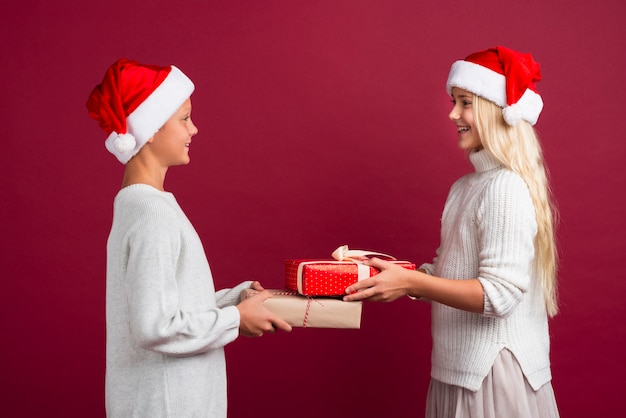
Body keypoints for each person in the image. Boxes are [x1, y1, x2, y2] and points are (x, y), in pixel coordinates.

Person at [344, 46, 560, 417]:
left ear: (497, 112)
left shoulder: (504, 188)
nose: (452, 113)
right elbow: (453, 275)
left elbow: (499, 295)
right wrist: (396, 274)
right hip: (459, 371)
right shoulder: (465, 187)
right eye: (453, 101)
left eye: (464, 103)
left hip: (491, 376)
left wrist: (411, 284)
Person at [86, 58, 291, 418]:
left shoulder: (140, 204)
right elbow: (156, 327)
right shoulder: (152, 214)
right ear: (150, 129)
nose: (193, 129)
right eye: (184, 118)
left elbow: (164, 304)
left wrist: (235, 300)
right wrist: (235, 319)